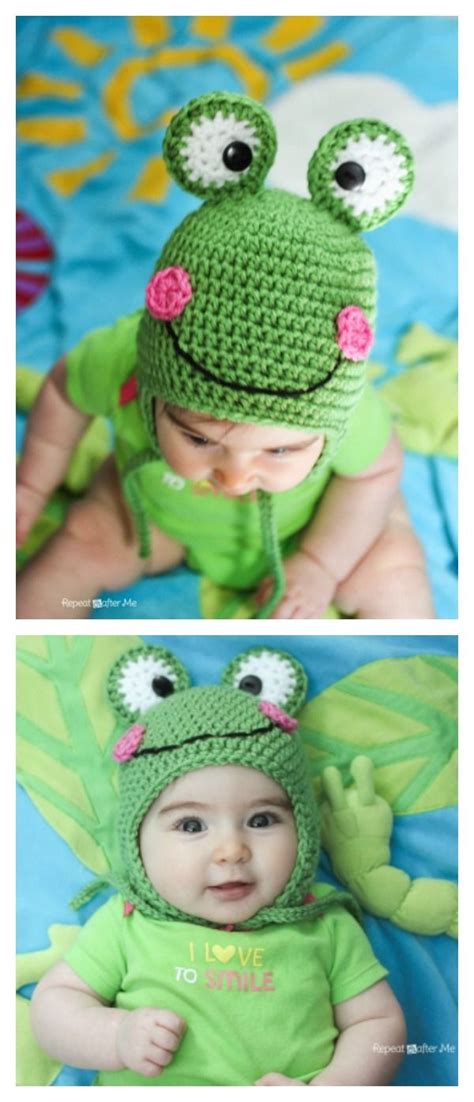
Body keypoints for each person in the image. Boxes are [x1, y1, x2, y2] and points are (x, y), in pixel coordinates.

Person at [16, 91, 434, 620]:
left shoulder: (342, 408)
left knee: (393, 565)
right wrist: (30, 486)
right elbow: (62, 390)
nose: (233, 478)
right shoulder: (131, 360)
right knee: (77, 547)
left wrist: (321, 565)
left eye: (280, 451)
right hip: (157, 522)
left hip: (307, 533)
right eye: (196, 437)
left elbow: (375, 473)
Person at [30, 644, 406, 1086]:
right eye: (191, 825)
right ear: (137, 841)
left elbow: (381, 1028)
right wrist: (116, 1034)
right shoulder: (130, 923)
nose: (232, 850)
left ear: (303, 828)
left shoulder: (323, 922)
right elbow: (54, 1005)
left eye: (261, 820)